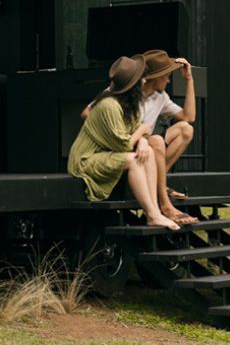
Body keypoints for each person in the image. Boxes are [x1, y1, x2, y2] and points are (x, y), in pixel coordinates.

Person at [67, 55, 179, 230]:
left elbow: (137, 131)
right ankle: (152, 214)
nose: (144, 81)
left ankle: (155, 212)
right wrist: (141, 132)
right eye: (140, 78)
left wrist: (142, 140)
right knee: (134, 160)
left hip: (108, 154)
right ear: (133, 85)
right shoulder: (109, 105)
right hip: (87, 159)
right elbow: (124, 144)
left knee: (147, 151)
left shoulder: (129, 104)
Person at [138, 49, 197, 223]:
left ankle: (158, 184)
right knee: (156, 141)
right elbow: (90, 112)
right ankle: (165, 205)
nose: (169, 80)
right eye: (166, 76)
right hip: (130, 143)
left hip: (147, 145)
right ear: (155, 77)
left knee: (186, 129)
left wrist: (189, 79)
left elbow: (189, 117)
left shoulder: (160, 97)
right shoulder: (129, 90)